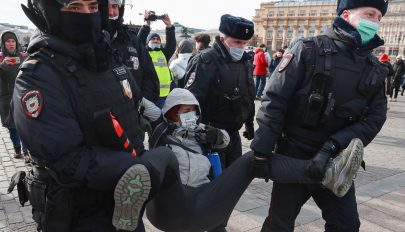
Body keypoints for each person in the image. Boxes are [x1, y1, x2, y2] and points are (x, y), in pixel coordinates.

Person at [11, 0, 174, 231]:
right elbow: (67, 160)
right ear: (51, 13)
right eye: (75, 7)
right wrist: (134, 167)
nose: (87, 15)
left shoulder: (107, 57)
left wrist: (167, 127)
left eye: (93, 6)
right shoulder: (37, 75)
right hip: (79, 214)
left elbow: (134, 107)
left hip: (126, 203)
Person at [112, 88, 364, 232]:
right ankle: (133, 193)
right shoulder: (161, 126)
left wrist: (209, 133)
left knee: (250, 160)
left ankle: (327, 174)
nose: (188, 115)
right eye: (183, 111)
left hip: (202, 203)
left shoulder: (204, 134)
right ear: (170, 112)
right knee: (162, 155)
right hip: (169, 205)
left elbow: (223, 140)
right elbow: (134, 97)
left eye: (192, 111)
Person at [250, 0, 389, 231]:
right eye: (370, 14)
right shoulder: (307, 49)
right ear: (346, 15)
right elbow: (275, 100)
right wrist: (261, 151)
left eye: (378, 18)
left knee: (346, 225)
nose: (375, 21)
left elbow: (375, 119)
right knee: (279, 224)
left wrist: (332, 146)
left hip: (337, 162)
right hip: (294, 154)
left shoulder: (375, 68)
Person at [183, 14, 256, 232]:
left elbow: (248, 95)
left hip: (232, 137)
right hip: (208, 138)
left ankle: (218, 223)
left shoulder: (244, 61)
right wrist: (198, 132)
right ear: (223, 38)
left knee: (230, 188)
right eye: (236, 42)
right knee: (209, 190)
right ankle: (212, 226)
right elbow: (187, 103)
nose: (241, 47)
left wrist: (250, 123)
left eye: (244, 43)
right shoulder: (206, 60)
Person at [107, 0, 159, 104]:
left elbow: (149, 75)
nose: (111, 12)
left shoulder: (131, 39)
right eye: (105, 7)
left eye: (114, 6)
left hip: (135, 112)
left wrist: (143, 104)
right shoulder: (88, 41)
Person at [0, 31, 29, 162]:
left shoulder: (23, 56)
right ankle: (17, 149)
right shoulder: (0, 58)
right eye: (8, 41)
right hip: (6, 97)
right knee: (12, 126)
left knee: (25, 125)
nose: (11, 44)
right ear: (3, 44)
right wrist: (3, 66)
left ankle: (26, 152)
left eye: (13, 41)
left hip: (22, 95)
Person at [138, 11, 176, 108]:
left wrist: (169, 27)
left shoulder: (164, 53)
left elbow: (171, 44)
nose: (155, 40)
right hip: (150, 95)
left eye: (157, 39)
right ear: (148, 42)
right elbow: (139, 41)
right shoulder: (144, 53)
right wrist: (147, 24)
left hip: (165, 95)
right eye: (153, 39)